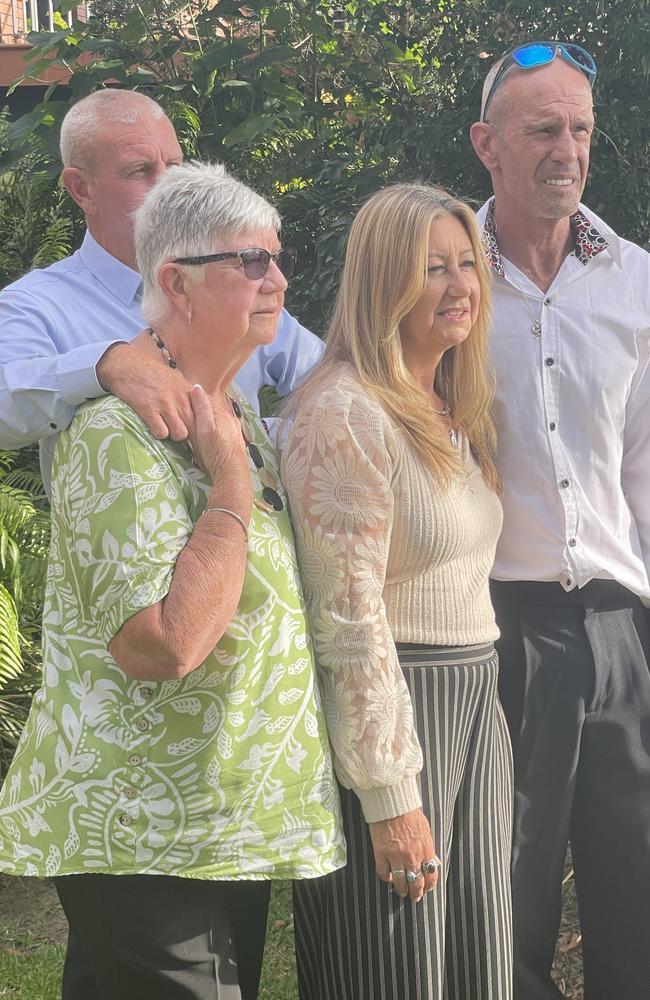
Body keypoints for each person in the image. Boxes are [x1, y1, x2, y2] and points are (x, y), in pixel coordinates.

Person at [0, 161, 345, 1000]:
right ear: (176, 285)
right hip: (140, 830)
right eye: (251, 262)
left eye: (277, 257)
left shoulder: (240, 420)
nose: (278, 279)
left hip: (221, 819)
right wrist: (229, 489)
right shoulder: (115, 436)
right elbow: (163, 645)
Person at [281, 182, 513, 1000]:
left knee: (473, 957)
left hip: (474, 699)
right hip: (395, 711)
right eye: (432, 269)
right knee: (395, 969)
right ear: (384, 283)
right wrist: (388, 796)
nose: (460, 287)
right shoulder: (344, 410)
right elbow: (347, 616)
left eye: (467, 264)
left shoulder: (453, 405)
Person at [469, 41, 650, 1000]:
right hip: (499, 630)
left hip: (623, 630)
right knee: (510, 894)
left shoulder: (636, 282)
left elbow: (646, 468)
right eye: (542, 128)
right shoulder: (442, 282)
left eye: (579, 128)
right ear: (486, 144)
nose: (566, 149)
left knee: (639, 889)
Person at [0, 88, 324, 491]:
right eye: (139, 171)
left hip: (264, 536)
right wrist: (107, 365)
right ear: (82, 189)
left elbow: (334, 388)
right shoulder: (36, 305)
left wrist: (255, 435)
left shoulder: (240, 284)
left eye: (173, 165)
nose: (166, 186)